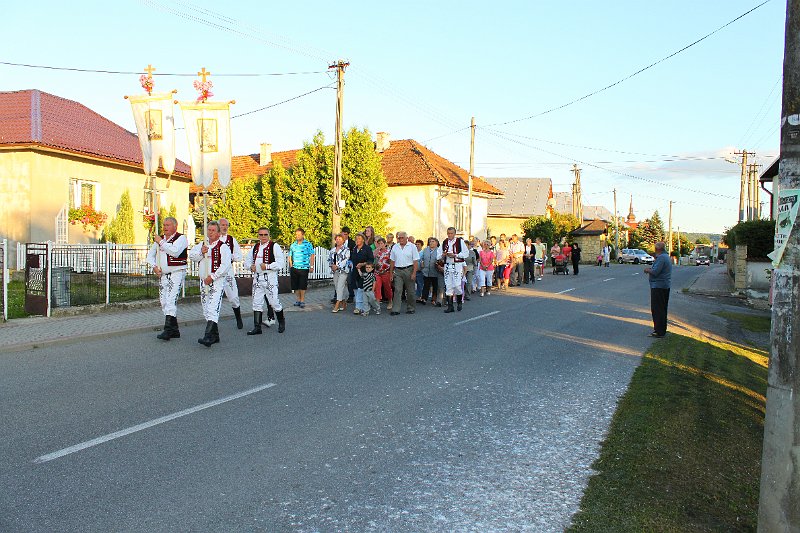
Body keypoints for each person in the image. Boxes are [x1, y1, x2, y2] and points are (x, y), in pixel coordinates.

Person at [189, 221, 232, 347]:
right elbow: (192, 256)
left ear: (218, 233)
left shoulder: (223, 247)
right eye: (209, 230)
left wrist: (213, 277)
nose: (210, 232)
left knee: (213, 307)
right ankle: (215, 335)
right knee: (206, 308)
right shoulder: (202, 245)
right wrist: (201, 252)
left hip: (216, 281)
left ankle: (208, 336)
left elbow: (225, 265)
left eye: (213, 230)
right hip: (204, 281)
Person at [146, 216, 188, 340]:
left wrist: (161, 242)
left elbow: (175, 252)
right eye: (164, 225)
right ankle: (174, 330)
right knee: (164, 301)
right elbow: (150, 256)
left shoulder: (181, 238)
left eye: (168, 225)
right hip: (164, 275)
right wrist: (154, 267)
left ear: (175, 226)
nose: (165, 227)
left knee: (171, 300)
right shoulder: (160, 239)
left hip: (176, 272)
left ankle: (168, 329)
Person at [243, 227, 286, 334]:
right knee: (256, 303)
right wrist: (250, 266)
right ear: (258, 236)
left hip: (270, 278)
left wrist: (267, 266)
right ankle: (257, 327)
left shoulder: (274, 246)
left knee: (274, 302)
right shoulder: (255, 247)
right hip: (257, 278)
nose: (263, 237)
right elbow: (247, 261)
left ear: (269, 235)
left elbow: (281, 263)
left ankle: (281, 322)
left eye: (265, 234)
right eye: (261, 235)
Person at [218, 218, 244, 330]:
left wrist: (230, 256)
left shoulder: (231, 240)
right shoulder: (212, 239)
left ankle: (238, 317)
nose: (224, 227)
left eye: (226, 225)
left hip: (228, 271)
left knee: (233, 297)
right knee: (214, 298)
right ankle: (212, 322)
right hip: (215, 271)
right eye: (222, 225)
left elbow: (239, 256)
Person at [438, 227, 470, 312]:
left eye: (451, 233)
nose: (449, 235)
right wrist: (443, 255)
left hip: (457, 265)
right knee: (448, 285)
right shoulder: (444, 242)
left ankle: (459, 302)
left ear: (455, 234)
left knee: (457, 285)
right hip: (447, 265)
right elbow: (438, 255)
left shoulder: (460, 242)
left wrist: (455, 255)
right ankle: (450, 306)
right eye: (448, 233)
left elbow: (466, 253)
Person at [644, 241, 672, 338]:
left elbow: (655, 272)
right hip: (664, 285)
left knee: (657, 309)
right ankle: (661, 330)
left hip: (658, 286)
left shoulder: (661, 258)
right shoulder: (665, 257)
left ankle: (659, 331)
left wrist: (647, 270)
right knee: (662, 308)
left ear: (657, 249)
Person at [389, 231, 419, 315]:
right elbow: (392, 261)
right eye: (399, 238)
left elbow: (415, 261)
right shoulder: (395, 247)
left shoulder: (412, 246)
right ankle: (395, 309)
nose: (400, 239)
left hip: (409, 269)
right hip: (398, 270)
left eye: (402, 238)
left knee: (410, 290)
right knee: (397, 290)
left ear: (406, 238)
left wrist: (414, 273)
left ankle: (411, 308)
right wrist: (391, 273)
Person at [288, 228, 315, 309]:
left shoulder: (308, 244)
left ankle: (302, 300)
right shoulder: (293, 245)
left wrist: (311, 266)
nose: (297, 236)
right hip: (295, 267)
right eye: (296, 234)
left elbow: (312, 255)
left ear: (303, 235)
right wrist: (291, 265)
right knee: (295, 285)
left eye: (299, 235)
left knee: (302, 285)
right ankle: (298, 300)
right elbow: (290, 256)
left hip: (304, 267)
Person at [350, 233, 374, 315]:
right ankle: (359, 306)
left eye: (359, 238)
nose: (357, 240)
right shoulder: (354, 248)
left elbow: (371, 260)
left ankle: (360, 307)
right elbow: (352, 259)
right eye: (356, 239)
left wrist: (363, 264)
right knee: (355, 288)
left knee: (361, 288)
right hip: (355, 271)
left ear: (363, 240)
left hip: (364, 271)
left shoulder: (367, 248)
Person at [329, 233, 351, 313]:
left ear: (343, 240)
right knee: (337, 287)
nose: (338, 241)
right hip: (335, 271)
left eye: (340, 239)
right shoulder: (332, 250)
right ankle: (343, 301)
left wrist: (338, 266)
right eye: (337, 239)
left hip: (343, 270)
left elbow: (346, 259)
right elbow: (329, 259)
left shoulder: (346, 249)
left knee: (340, 286)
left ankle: (337, 304)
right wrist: (332, 266)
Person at [373, 237, 393, 310]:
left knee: (387, 288)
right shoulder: (377, 251)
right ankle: (377, 304)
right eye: (379, 243)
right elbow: (372, 258)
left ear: (385, 244)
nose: (380, 245)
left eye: (381, 243)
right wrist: (376, 251)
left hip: (386, 272)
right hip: (377, 272)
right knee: (377, 287)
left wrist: (391, 272)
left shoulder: (389, 252)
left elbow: (391, 262)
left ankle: (390, 301)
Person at [420, 237, 441, 306]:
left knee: (435, 286)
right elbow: (421, 258)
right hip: (426, 271)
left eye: (433, 241)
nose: (431, 243)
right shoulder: (425, 250)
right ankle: (424, 298)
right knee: (426, 285)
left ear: (436, 243)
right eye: (430, 242)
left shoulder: (439, 250)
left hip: (435, 271)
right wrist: (422, 262)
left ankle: (434, 299)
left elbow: (441, 259)